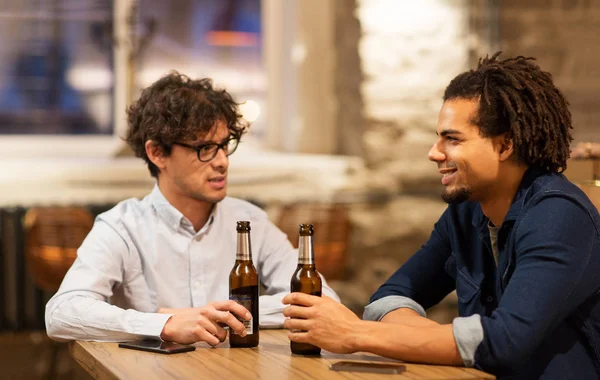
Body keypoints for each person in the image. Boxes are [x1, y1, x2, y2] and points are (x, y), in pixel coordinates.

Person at [282, 52, 600, 379]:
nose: (434, 153)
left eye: (452, 139)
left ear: (505, 145)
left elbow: (506, 341)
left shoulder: (559, 215)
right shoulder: (465, 213)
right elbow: (387, 299)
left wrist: (355, 334)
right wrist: (447, 340)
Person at [45, 72, 339, 345]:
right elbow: (61, 313)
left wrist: (215, 317)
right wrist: (164, 323)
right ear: (157, 153)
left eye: (225, 145)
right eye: (205, 148)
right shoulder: (122, 226)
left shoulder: (249, 221)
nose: (222, 161)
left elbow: (323, 299)